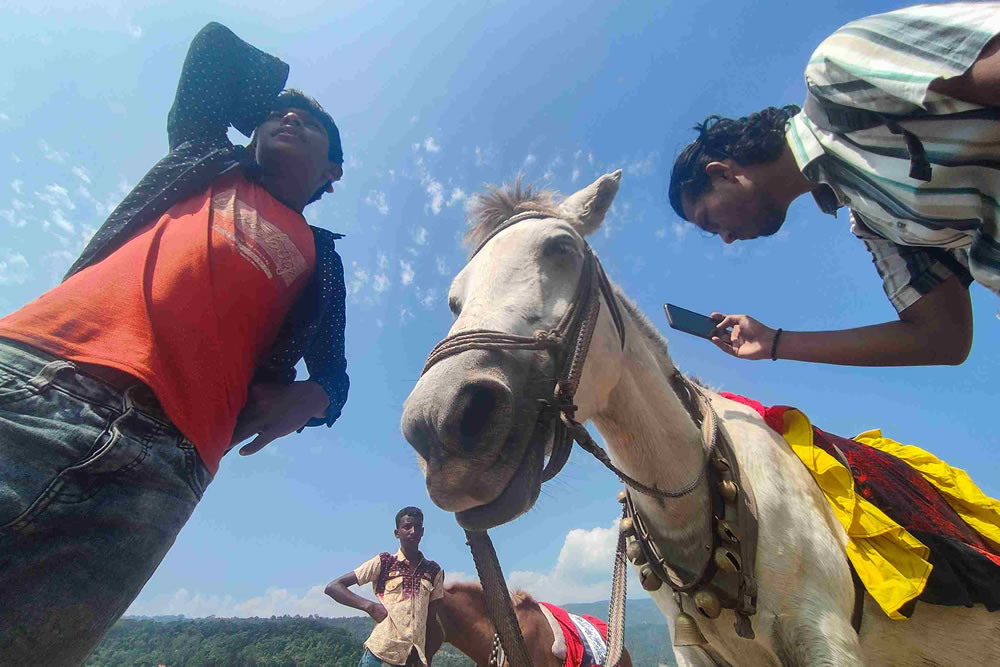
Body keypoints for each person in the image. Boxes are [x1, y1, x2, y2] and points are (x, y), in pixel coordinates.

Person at [0, 22, 349, 664]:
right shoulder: (203, 161)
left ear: (333, 172)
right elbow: (214, 48)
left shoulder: (320, 260)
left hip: (163, 467)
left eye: (308, 123)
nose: (287, 117)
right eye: (277, 114)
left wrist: (317, 397)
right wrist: (267, 110)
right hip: (33, 378)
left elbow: (335, 372)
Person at [669, 2, 1000, 367]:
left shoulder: (836, 72)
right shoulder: (876, 224)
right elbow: (942, 339)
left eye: (709, 222)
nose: (726, 238)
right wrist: (773, 342)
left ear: (721, 173)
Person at [326, 507, 444, 667]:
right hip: (381, 655)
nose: (413, 531)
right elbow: (334, 587)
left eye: (417, 527)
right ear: (397, 533)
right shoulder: (385, 562)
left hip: (413, 660)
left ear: (422, 532)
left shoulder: (433, 571)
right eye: (407, 526)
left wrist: (426, 659)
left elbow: (431, 620)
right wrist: (369, 606)